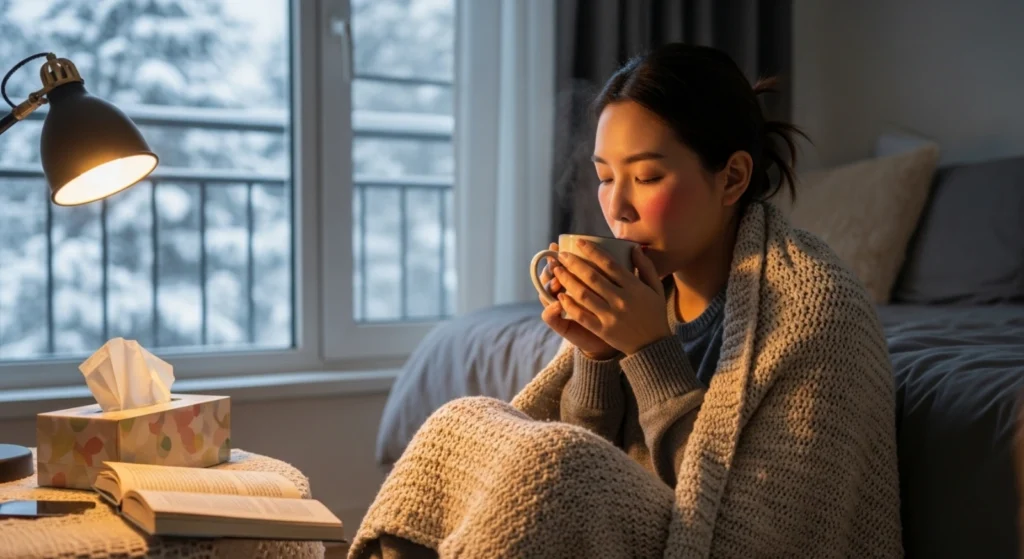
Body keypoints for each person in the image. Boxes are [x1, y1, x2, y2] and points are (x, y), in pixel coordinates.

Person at [350, 43, 901, 559]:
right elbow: (592, 473)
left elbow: (746, 529)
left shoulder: (815, 308)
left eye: (647, 176)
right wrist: (597, 356)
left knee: (558, 462)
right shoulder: (648, 284)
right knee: (461, 420)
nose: (617, 207)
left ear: (732, 178)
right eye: (604, 176)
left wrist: (650, 351)